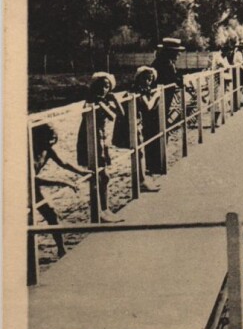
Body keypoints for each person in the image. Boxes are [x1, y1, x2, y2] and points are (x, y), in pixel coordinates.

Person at [32, 123, 91, 256]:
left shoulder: (47, 149)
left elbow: (63, 163)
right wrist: (62, 181)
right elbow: (31, 179)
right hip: (18, 186)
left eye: (53, 138)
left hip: (31, 187)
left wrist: (81, 171)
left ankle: (61, 249)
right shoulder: (28, 152)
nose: (51, 142)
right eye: (48, 139)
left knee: (51, 214)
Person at [76, 72, 124, 223]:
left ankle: (105, 209)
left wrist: (115, 100)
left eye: (107, 86)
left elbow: (121, 113)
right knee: (100, 177)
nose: (104, 89)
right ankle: (101, 211)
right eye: (101, 86)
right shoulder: (93, 101)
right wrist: (109, 102)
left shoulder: (102, 100)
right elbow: (112, 116)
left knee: (104, 177)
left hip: (101, 139)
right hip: (91, 140)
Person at [131, 67, 161, 191]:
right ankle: (141, 181)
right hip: (134, 123)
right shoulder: (138, 90)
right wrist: (157, 95)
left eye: (150, 79)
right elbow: (148, 106)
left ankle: (142, 179)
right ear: (139, 78)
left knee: (140, 152)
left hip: (138, 122)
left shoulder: (142, 90)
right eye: (145, 78)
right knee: (139, 152)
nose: (148, 81)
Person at [151, 38, 185, 125]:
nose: (179, 53)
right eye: (177, 51)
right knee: (158, 121)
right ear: (170, 52)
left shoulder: (168, 62)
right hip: (159, 97)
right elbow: (173, 78)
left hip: (164, 96)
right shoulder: (165, 63)